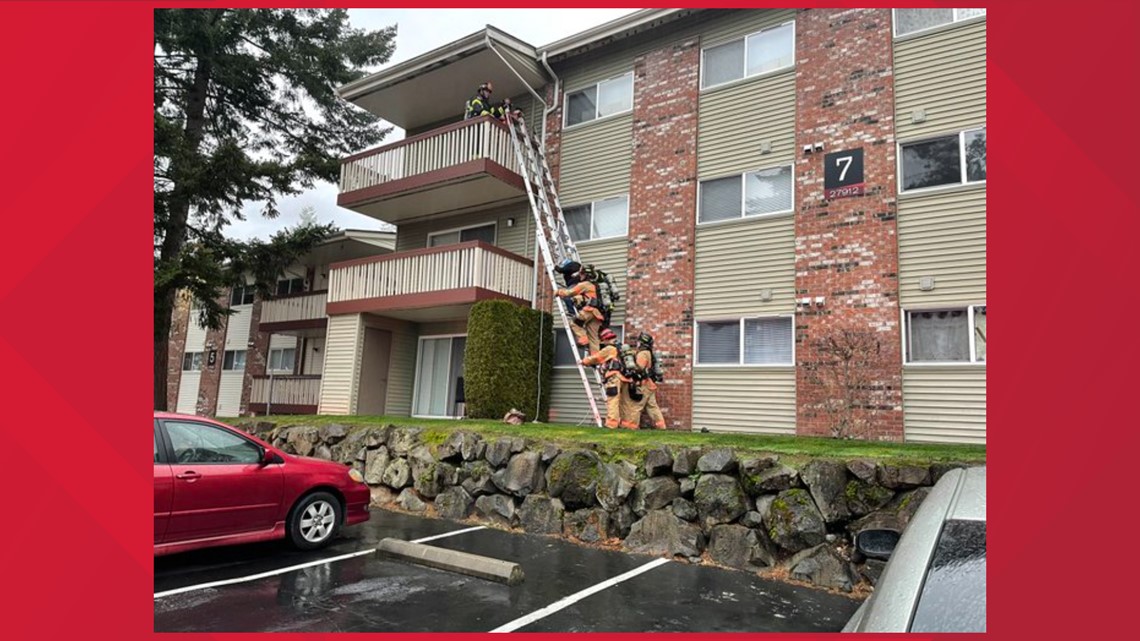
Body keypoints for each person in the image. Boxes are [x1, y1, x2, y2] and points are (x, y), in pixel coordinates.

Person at [579, 328, 632, 429]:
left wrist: (584, 361)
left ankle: (611, 425)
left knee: (612, 401)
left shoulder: (609, 349)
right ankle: (626, 425)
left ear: (605, 339)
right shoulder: (620, 348)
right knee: (624, 403)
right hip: (624, 379)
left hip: (614, 378)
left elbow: (596, 358)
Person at [555, 264, 605, 354]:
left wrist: (559, 292)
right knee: (593, 337)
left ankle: (584, 339)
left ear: (586, 275)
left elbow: (569, 292)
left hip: (589, 310)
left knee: (574, 323)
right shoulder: (596, 285)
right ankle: (595, 358)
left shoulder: (585, 284)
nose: (580, 276)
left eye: (581, 274)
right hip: (598, 314)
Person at [627, 331, 666, 430]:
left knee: (636, 406)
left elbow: (640, 368)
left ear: (641, 342)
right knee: (652, 407)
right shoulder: (648, 352)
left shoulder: (643, 354)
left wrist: (631, 366)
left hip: (644, 385)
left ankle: (632, 428)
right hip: (650, 385)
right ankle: (662, 427)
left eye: (639, 341)